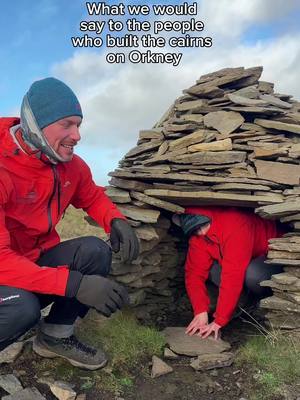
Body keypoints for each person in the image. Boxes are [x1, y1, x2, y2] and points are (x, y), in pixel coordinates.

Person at [0, 77, 140, 369]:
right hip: (6, 271)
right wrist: (75, 284)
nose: (77, 135)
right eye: (66, 124)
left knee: (94, 251)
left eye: (78, 125)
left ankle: (55, 337)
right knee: (20, 309)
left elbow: (91, 196)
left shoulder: (69, 165)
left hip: (30, 262)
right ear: (34, 124)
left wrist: (115, 220)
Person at [173, 206, 284, 340]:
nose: (201, 233)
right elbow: (194, 274)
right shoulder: (197, 237)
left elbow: (232, 275)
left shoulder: (236, 225)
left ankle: (262, 302)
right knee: (214, 272)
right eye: (195, 229)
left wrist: (220, 319)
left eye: (203, 225)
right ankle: (243, 301)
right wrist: (200, 311)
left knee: (253, 275)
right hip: (239, 259)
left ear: (210, 217)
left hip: (270, 255)